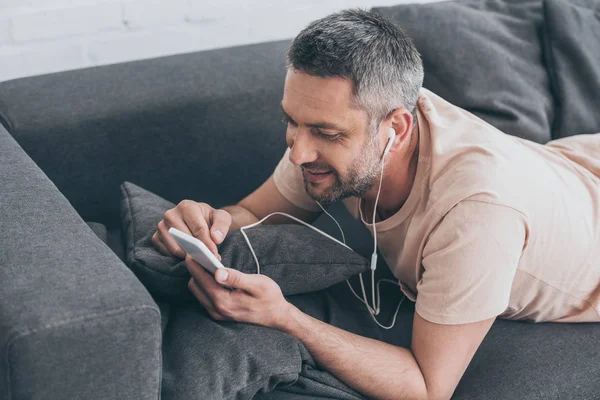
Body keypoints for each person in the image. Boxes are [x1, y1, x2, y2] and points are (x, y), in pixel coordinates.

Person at [152, 8, 600, 400]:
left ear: (397, 129)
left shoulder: (476, 214)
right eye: (292, 122)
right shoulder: (334, 135)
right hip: (571, 161)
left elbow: (427, 386)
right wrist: (210, 220)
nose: (298, 153)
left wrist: (285, 318)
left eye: (326, 134)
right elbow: (255, 212)